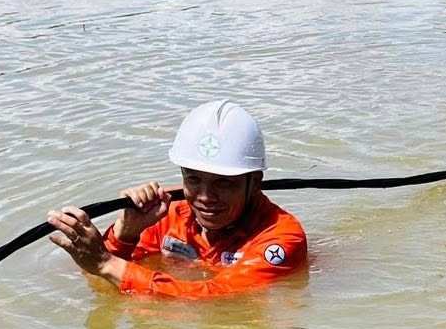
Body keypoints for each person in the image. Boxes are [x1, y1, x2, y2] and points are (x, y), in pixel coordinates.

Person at [47, 100, 307, 299]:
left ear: (255, 183)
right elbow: (101, 283)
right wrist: (125, 235)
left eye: (224, 182)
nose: (205, 197)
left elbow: (217, 298)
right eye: (193, 179)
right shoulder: (165, 213)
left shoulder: (282, 237)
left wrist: (106, 262)